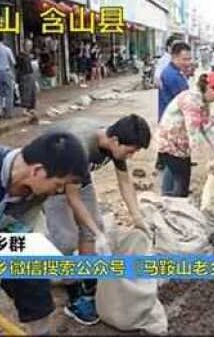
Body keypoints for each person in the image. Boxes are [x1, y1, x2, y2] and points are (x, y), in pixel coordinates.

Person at [0, 132, 89, 336]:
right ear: (38, 171)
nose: (58, 191)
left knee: (31, 274)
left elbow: (7, 242)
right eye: (59, 184)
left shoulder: (33, 197)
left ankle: (41, 332)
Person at [42, 114, 151, 325]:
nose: (130, 156)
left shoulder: (114, 142)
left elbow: (125, 183)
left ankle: (89, 283)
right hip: (49, 178)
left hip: (78, 179)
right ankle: (74, 296)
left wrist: (138, 218)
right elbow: (72, 198)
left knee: (92, 230)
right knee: (66, 239)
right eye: (130, 151)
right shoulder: (80, 146)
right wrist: (100, 235)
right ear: (116, 141)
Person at [156, 72, 214, 197]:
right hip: (171, 144)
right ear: (210, 88)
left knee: (175, 176)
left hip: (178, 145)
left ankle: (166, 201)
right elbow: (194, 133)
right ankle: (174, 206)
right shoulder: (191, 100)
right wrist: (208, 160)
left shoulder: (203, 101)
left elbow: (207, 128)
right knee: (181, 183)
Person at [158, 41, 192, 121]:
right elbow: (186, 103)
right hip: (172, 122)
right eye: (184, 59)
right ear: (174, 57)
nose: (188, 63)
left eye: (189, 59)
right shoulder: (173, 76)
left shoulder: (171, 71)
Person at [0, 33, 16, 119]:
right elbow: (13, 62)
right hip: (6, 72)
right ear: (3, 39)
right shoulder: (7, 49)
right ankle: (8, 113)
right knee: (9, 94)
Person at [16, 39, 38, 119]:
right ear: (24, 46)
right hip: (24, 76)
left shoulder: (30, 55)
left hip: (31, 75)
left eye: (30, 45)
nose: (29, 47)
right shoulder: (20, 56)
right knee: (25, 92)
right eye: (28, 45)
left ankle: (31, 108)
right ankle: (24, 109)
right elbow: (17, 67)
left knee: (32, 92)